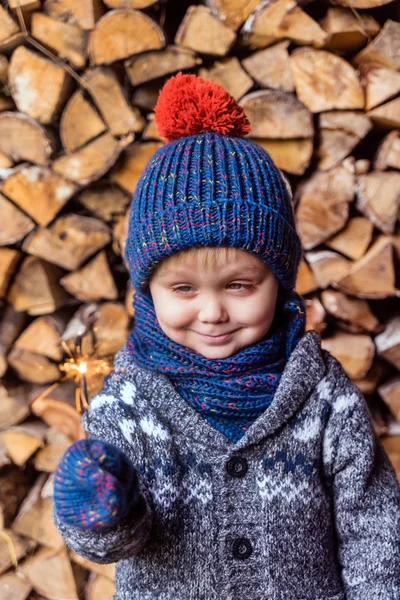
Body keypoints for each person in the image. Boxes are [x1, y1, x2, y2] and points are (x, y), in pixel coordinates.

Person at [53, 73, 400, 600]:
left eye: (239, 285)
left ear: (279, 280)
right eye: (183, 288)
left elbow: (373, 525)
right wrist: (98, 515)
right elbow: (116, 547)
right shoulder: (126, 407)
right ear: (149, 290)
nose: (212, 311)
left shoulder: (322, 395)